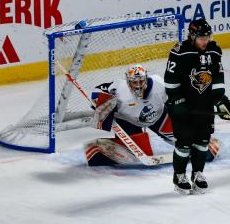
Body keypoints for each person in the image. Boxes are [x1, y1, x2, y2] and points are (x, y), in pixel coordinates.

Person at [86, 64, 220, 167]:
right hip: (128, 121)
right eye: (134, 82)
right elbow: (97, 91)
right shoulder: (119, 89)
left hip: (159, 117)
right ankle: (98, 149)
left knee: (187, 143)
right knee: (137, 156)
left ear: (146, 78)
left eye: (140, 81)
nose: (138, 85)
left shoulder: (159, 85)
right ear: (128, 81)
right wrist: (100, 100)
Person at [164, 18, 230, 195]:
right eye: (202, 38)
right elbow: (170, 82)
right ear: (192, 36)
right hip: (184, 107)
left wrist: (220, 100)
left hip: (204, 106)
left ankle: (198, 173)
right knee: (185, 143)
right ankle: (179, 176)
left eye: (207, 37)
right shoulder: (180, 52)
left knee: (203, 142)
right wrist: (178, 102)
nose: (205, 41)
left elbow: (217, 77)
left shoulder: (214, 51)